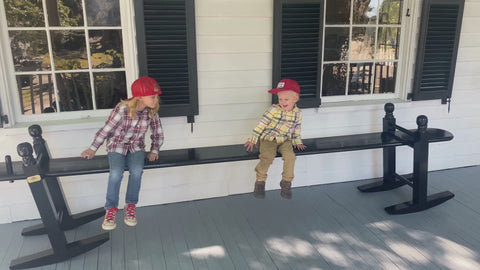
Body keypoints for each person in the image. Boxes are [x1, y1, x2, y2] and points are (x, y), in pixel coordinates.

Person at [81, 76, 164, 230]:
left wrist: (154, 150)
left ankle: (130, 205)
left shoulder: (152, 112)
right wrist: (93, 148)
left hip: (136, 147)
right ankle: (111, 209)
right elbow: (106, 130)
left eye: (157, 96)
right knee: (116, 173)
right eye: (152, 96)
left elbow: (158, 133)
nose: (156, 99)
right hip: (117, 146)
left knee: (137, 171)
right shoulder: (122, 109)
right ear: (139, 97)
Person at [244, 79, 306, 199]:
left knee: (290, 157)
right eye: (280, 99)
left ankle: (286, 182)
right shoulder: (273, 110)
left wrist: (297, 141)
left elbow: (296, 128)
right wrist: (253, 139)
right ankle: (260, 181)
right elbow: (261, 124)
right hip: (269, 139)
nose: (282, 102)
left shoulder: (298, 113)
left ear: (295, 99)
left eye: (286, 99)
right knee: (267, 156)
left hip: (285, 140)